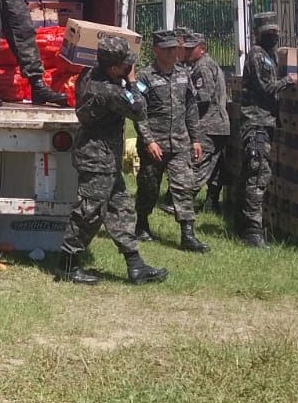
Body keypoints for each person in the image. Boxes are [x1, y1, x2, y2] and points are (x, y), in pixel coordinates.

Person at [52, 35, 169, 286]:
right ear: (114, 67)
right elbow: (139, 109)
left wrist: (125, 80)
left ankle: (135, 265)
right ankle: (67, 265)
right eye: (126, 66)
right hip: (97, 159)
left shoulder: (90, 74)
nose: (130, 69)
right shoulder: (108, 90)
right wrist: (133, 82)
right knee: (89, 213)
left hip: (105, 158)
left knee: (121, 209)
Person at [134, 30, 207, 252]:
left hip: (180, 142)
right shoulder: (145, 77)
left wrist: (195, 138)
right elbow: (139, 112)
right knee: (149, 187)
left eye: (174, 48)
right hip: (155, 144)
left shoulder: (184, 74)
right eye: (166, 49)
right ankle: (142, 223)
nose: (172, 53)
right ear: (155, 51)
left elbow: (191, 108)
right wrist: (148, 141)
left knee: (184, 186)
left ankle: (188, 233)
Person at [237, 11, 290, 248]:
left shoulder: (270, 55)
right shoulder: (257, 55)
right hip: (256, 123)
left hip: (266, 122)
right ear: (257, 34)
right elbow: (264, 88)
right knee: (258, 176)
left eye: (275, 32)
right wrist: (287, 82)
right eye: (269, 33)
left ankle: (246, 225)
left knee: (255, 174)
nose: (273, 36)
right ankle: (252, 232)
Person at [186, 31, 230, 212]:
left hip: (208, 124)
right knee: (216, 167)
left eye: (191, 48)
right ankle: (211, 203)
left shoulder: (202, 67)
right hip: (218, 125)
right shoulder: (205, 64)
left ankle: (183, 202)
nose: (188, 52)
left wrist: (185, 107)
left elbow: (203, 97)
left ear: (202, 49)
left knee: (198, 164)